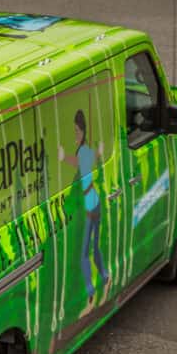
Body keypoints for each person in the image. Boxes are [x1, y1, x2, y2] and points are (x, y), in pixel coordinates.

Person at [58, 109, 110, 316]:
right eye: (74, 131)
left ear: (82, 130)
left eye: (76, 130)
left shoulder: (83, 151)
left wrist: (63, 158)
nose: (75, 134)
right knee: (94, 249)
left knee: (83, 254)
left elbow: (82, 164)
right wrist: (99, 152)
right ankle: (105, 279)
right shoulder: (86, 150)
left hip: (89, 205)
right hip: (93, 202)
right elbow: (90, 160)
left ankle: (90, 297)